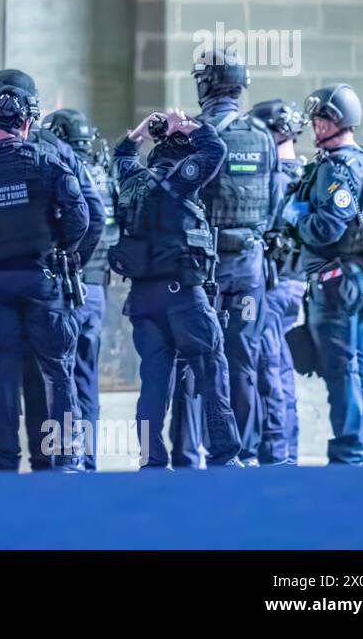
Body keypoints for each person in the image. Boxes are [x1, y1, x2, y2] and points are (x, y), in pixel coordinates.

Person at [0, 76, 89, 472]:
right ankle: (64, 458)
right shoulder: (47, 162)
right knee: (56, 372)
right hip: (41, 279)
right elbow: (80, 218)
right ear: (27, 121)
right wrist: (58, 246)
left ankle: (0, 463)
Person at [109, 110, 241, 468]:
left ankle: (151, 461)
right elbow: (214, 150)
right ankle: (224, 456)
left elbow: (120, 156)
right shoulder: (180, 180)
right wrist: (189, 125)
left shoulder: (132, 180)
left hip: (142, 301)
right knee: (212, 371)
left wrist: (138, 133)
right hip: (183, 297)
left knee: (154, 382)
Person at [171, 50, 279, 466]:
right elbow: (273, 205)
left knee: (191, 361)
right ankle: (244, 454)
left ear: (205, 86)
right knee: (244, 361)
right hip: (248, 268)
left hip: (202, 270)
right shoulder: (263, 137)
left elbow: (168, 202)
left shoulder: (192, 137)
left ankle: (185, 455)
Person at [281, 84, 363, 465]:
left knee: (340, 371)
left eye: (319, 118)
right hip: (359, 280)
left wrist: (296, 216)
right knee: (359, 367)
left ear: (334, 121)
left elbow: (327, 228)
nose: (313, 125)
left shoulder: (336, 168)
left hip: (336, 281)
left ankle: (349, 454)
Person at [42, 108, 118, 471]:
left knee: (60, 377)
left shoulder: (63, 174)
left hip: (67, 287)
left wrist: (71, 258)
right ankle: (86, 460)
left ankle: (64, 458)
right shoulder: (103, 175)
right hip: (97, 288)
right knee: (86, 377)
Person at [251, 99, 307, 465]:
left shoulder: (279, 179)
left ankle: (277, 452)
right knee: (275, 365)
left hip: (275, 284)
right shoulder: (304, 174)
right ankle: (282, 449)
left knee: (270, 368)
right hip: (292, 282)